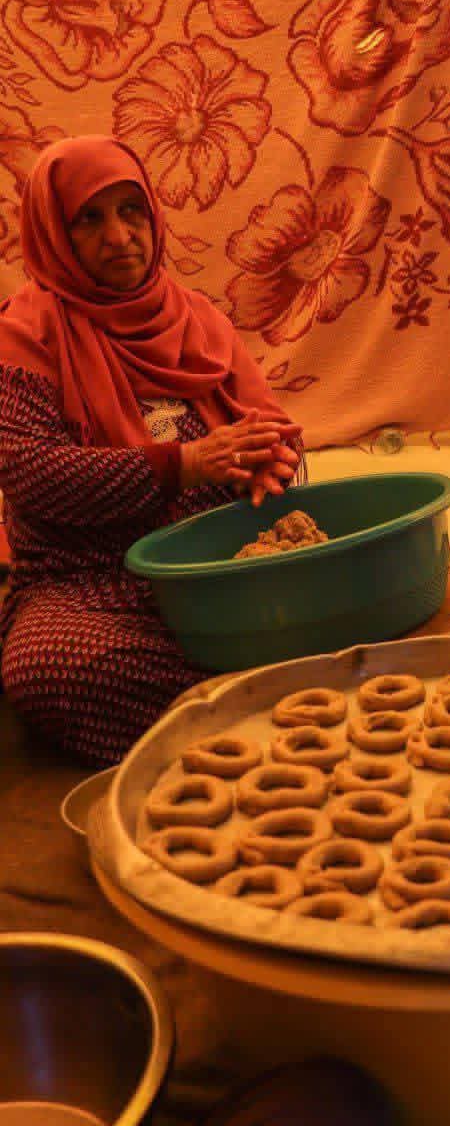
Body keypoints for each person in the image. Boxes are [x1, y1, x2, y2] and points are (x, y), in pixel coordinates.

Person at [0, 136, 302, 767]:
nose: (119, 237)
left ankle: (241, 699)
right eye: (89, 219)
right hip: (93, 585)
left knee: (351, 576)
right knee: (50, 667)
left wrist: (267, 462)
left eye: (130, 211)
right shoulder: (24, 335)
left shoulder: (195, 317)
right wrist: (183, 465)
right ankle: (258, 714)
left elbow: (269, 427)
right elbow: (31, 472)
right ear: (53, 231)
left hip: (223, 562)